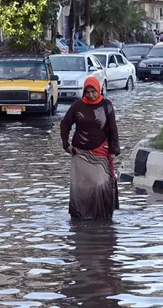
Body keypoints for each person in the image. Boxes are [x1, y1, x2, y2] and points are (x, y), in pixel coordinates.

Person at [60, 77, 120, 220]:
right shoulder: (77, 106)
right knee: (83, 185)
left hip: (101, 152)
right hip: (80, 153)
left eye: (93, 92)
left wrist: (113, 150)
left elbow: (112, 129)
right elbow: (64, 124)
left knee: (100, 182)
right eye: (87, 92)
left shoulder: (107, 105)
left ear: (98, 90)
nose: (91, 95)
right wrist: (66, 145)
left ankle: (101, 216)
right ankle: (82, 215)